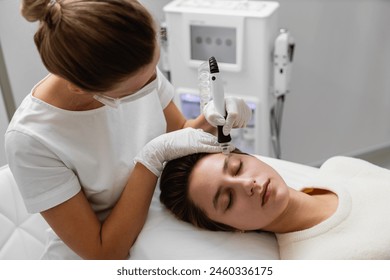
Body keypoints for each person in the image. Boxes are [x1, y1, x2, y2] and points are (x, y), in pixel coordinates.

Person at [4, 0, 251, 259]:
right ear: (81, 89)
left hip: (160, 232)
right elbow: (104, 252)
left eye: (153, 69)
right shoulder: (32, 139)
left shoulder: (132, 62)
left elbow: (179, 131)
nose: (153, 82)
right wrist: (150, 159)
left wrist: (211, 119)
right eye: (140, 86)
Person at [160, 150, 390, 259]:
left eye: (237, 167)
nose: (247, 184)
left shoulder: (339, 167)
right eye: (227, 199)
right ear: (231, 228)